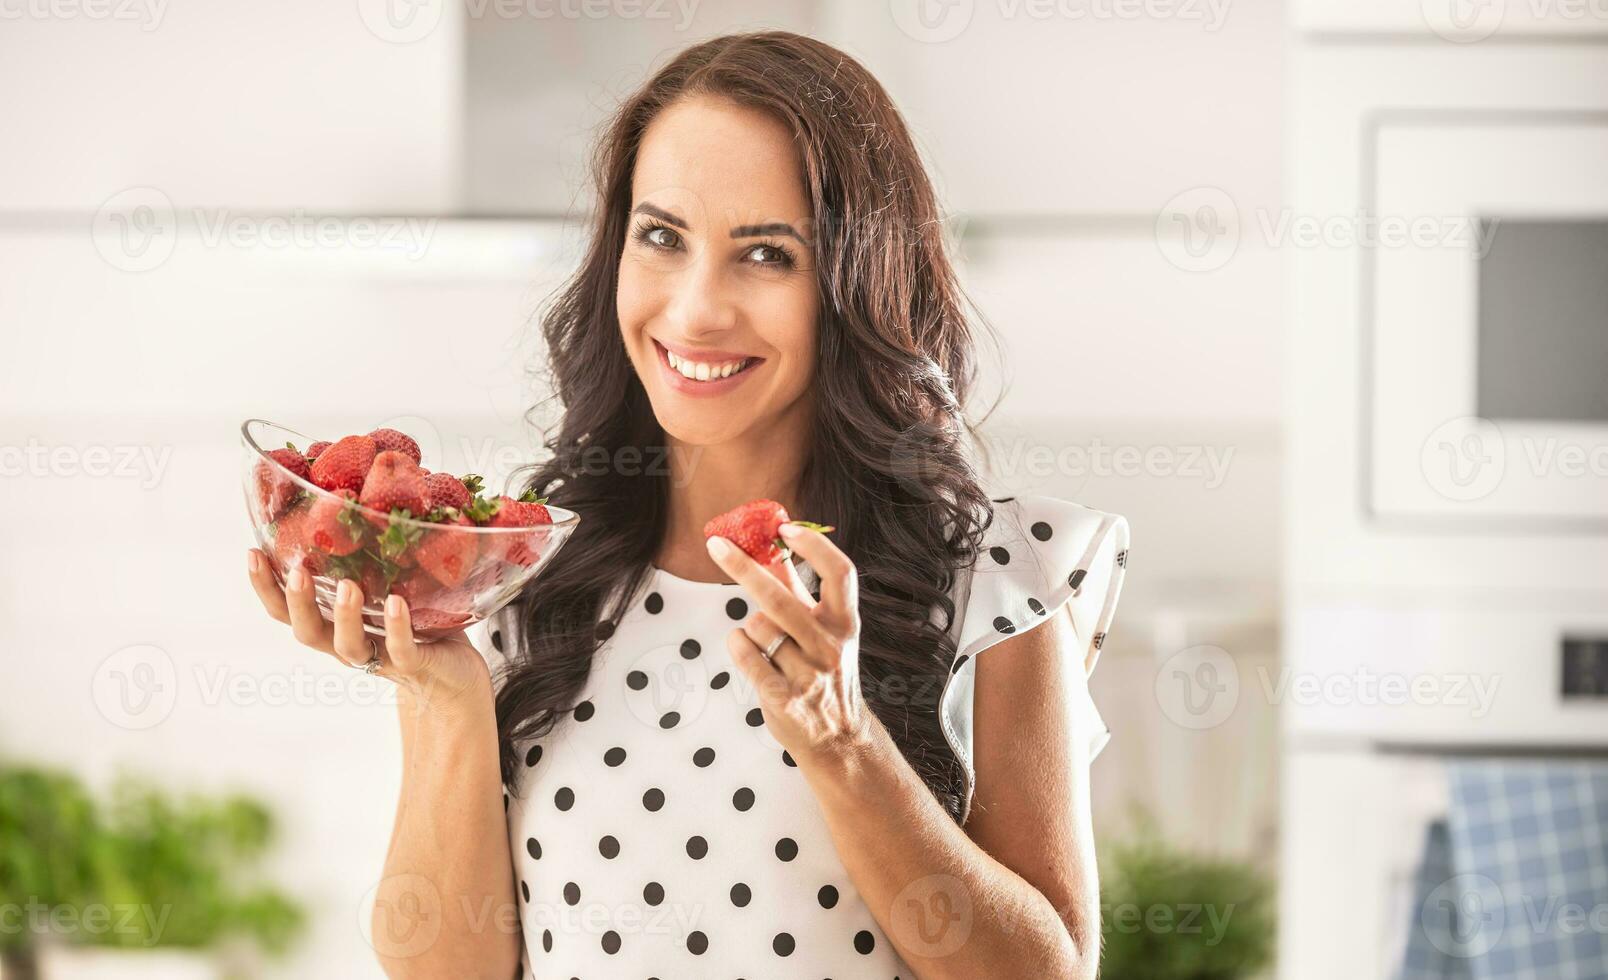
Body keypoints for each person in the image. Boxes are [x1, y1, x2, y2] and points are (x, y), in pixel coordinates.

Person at [246, 30, 1128, 979]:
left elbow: (1045, 972)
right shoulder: (519, 566)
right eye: (661, 237)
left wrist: (841, 739)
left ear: (853, 284)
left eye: (766, 255)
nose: (696, 309)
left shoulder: (996, 573)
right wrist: (440, 693)